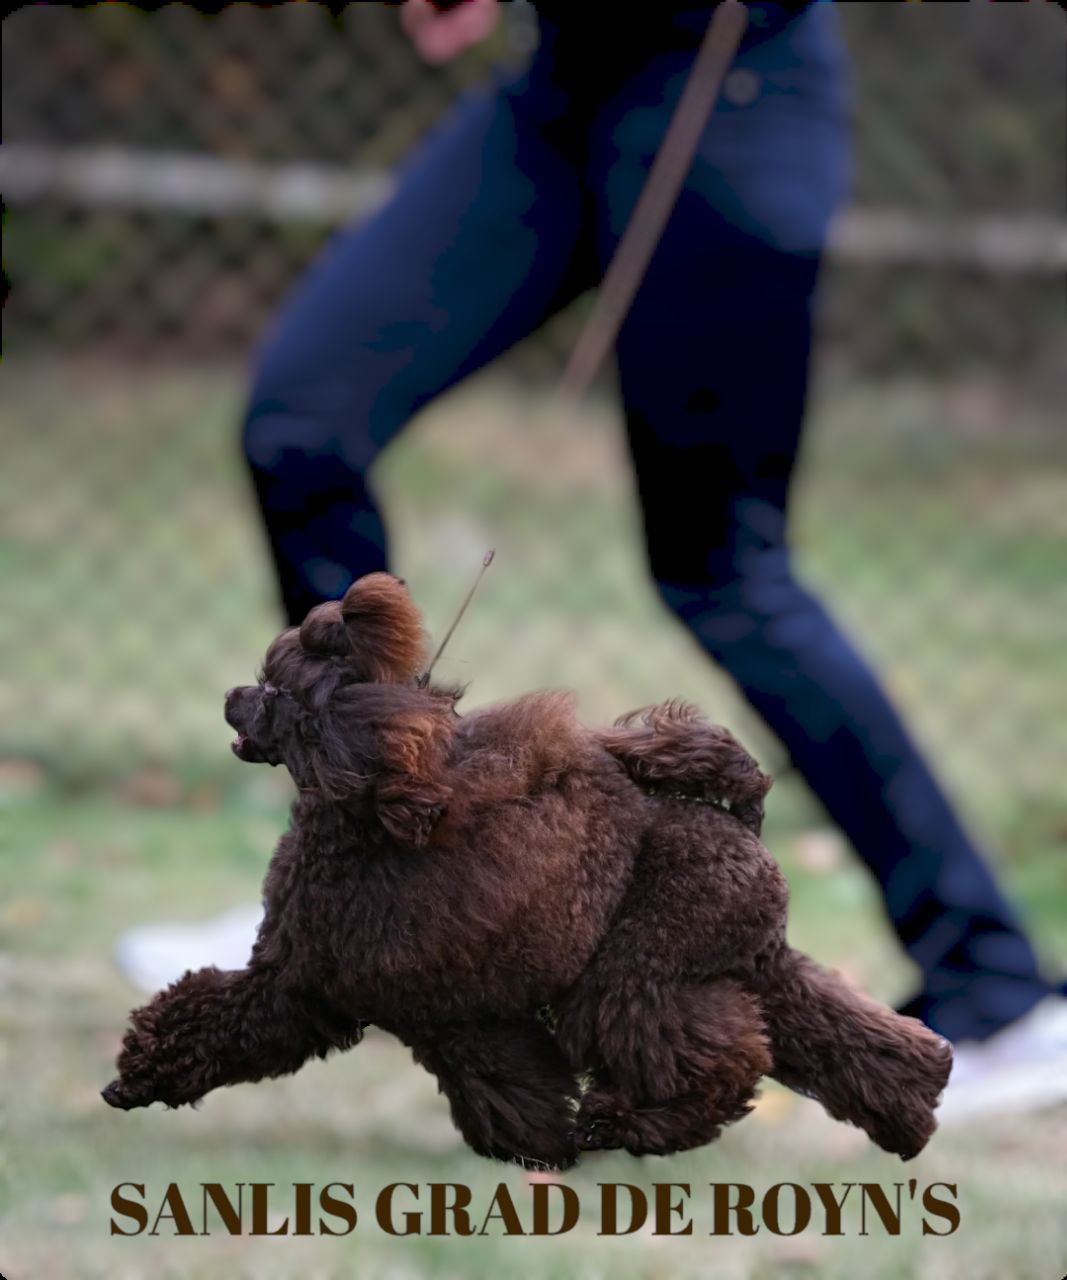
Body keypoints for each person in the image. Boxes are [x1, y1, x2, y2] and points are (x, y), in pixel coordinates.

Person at [116, 0, 1066, 1118]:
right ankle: (363, 895)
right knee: (301, 428)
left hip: (726, 91)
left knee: (721, 565)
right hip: (563, 90)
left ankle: (993, 982)